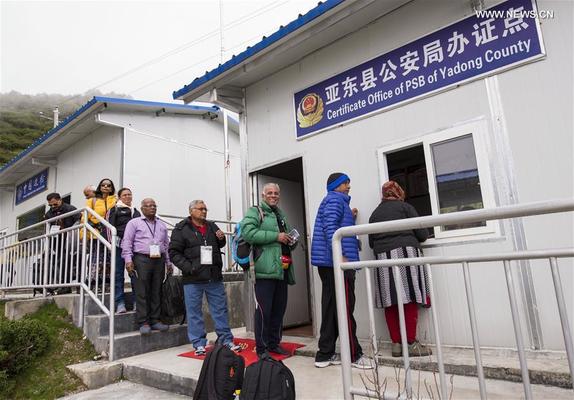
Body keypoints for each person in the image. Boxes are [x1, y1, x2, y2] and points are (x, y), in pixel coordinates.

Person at [311, 172, 374, 369]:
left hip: (329, 264)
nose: (348, 186)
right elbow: (331, 229)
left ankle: (324, 354)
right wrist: (340, 256)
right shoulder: (335, 201)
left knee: (331, 309)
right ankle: (354, 355)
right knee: (344, 308)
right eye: (346, 183)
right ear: (337, 185)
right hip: (336, 264)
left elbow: (333, 223)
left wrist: (350, 216)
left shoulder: (335, 202)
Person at [169, 200, 242, 355]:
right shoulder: (181, 228)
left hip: (213, 276)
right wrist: (189, 268)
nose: (204, 211)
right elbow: (174, 253)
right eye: (200, 209)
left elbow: (220, 244)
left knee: (220, 310)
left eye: (205, 209)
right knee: (194, 311)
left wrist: (221, 238)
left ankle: (226, 339)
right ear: (191, 211)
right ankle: (198, 343)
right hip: (193, 278)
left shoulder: (211, 225)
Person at [368, 180, 432, 357]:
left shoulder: (374, 214)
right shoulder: (405, 208)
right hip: (406, 255)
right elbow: (423, 235)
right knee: (409, 297)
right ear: (398, 192)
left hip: (383, 259)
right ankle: (411, 343)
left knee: (391, 300)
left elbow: (372, 243)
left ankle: (396, 344)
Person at [240, 183, 295, 359]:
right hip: (263, 270)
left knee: (279, 310)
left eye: (276, 193)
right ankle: (262, 348)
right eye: (269, 193)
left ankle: (273, 344)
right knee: (264, 311)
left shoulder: (280, 214)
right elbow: (248, 233)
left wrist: (289, 240)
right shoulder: (255, 211)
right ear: (263, 195)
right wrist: (276, 236)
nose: (273, 196)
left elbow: (282, 239)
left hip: (281, 269)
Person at [122, 198, 170, 335]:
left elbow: (166, 245)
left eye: (154, 205)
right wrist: (128, 260)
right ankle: (143, 322)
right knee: (142, 291)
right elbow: (127, 242)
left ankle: (155, 320)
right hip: (141, 259)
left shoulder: (161, 225)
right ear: (142, 209)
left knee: (157, 289)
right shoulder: (134, 223)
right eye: (148, 206)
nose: (152, 208)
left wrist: (168, 262)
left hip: (158, 259)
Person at [107, 187, 141, 314]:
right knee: (118, 274)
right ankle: (120, 303)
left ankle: (137, 302)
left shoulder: (136, 211)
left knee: (135, 274)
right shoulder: (114, 209)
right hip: (119, 245)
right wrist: (111, 245)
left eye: (129, 195)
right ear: (120, 197)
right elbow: (109, 228)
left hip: (134, 247)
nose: (128, 197)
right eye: (125, 195)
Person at [44, 192, 80, 294]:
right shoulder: (49, 214)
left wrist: (71, 232)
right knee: (61, 263)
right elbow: (47, 228)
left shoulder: (70, 209)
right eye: (50, 205)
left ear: (60, 200)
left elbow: (79, 220)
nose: (53, 207)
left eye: (55, 204)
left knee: (75, 263)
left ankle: (78, 285)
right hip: (57, 242)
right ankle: (65, 286)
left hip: (71, 240)